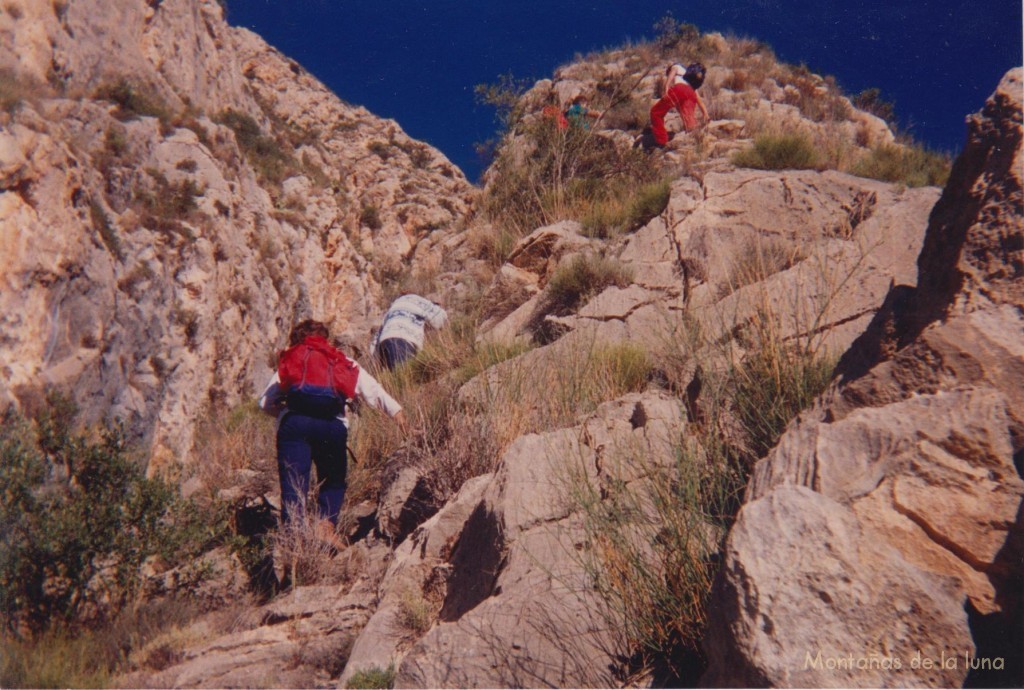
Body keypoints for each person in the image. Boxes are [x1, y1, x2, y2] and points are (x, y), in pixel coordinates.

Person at [259, 319, 406, 533]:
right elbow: (373, 391)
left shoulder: (294, 358)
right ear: (325, 338)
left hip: (295, 425)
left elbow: (264, 403)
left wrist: (284, 413)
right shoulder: (339, 359)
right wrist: (398, 414)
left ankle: (294, 537)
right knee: (333, 481)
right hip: (332, 426)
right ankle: (325, 526)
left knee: (294, 483)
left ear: (296, 340)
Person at [371, 293, 448, 370]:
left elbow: (375, 340)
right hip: (403, 340)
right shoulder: (418, 300)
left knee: (397, 375)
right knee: (404, 374)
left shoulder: (392, 309)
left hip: (384, 341)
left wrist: (376, 361)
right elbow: (440, 318)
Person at [648, 61, 709, 149]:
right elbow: (698, 99)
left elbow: (671, 75)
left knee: (656, 113)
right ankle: (696, 142)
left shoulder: (675, 66)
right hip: (691, 94)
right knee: (690, 123)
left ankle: (661, 141)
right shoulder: (689, 78)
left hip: (678, 89)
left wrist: (666, 87)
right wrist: (705, 114)